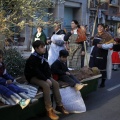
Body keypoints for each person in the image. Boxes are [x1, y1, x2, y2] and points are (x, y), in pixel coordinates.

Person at [24, 40, 69, 120]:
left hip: (42, 76)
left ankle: (59, 105)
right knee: (46, 85)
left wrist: (48, 77)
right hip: (33, 77)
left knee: (55, 83)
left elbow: (46, 68)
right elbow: (36, 71)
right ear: (36, 48)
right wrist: (46, 79)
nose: (44, 48)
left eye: (44, 46)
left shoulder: (42, 56)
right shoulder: (32, 58)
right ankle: (49, 109)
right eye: (41, 47)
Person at [89, 23, 114, 88]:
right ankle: (94, 82)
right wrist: (91, 40)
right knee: (93, 67)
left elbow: (111, 45)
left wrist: (102, 46)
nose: (99, 28)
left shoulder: (107, 35)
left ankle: (102, 82)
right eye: (98, 27)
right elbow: (92, 44)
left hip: (102, 54)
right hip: (94, 53)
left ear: (104, 28)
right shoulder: (96, 34)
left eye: (101, 27)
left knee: (102, 68)